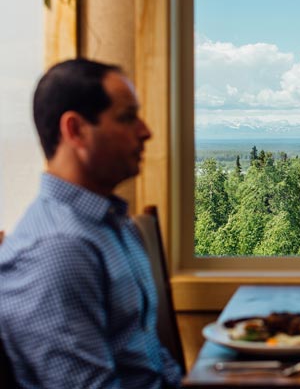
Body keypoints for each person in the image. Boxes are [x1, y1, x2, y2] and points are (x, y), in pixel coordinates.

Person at [0, 59, 182, 388]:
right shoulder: (60, 250)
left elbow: (149, 358)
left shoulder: (114, 224)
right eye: (127, 118)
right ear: (76, 130)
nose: (146, 131)